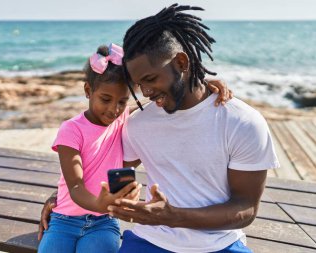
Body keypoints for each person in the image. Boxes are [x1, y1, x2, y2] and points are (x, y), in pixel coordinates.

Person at [106, 4, 280, 253]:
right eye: (138, 84)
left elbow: (246, 208)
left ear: (181, 62)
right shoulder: (137, 124)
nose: (145, 92)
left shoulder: (243, 122)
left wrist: (172, 216)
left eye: (150, 79)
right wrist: (65, 200)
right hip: (149, 241)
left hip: (220, 244)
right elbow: (105, 166)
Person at [37, 42, 232, 253]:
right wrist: (99, 204)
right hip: (64, 220)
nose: (114, 109)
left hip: (103, 222)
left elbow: (163, 97)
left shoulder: (123, 118)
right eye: (105, 99)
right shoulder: (71, 130)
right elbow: (75, 186)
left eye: (122, 101)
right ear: (88, 91)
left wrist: (201, 84)